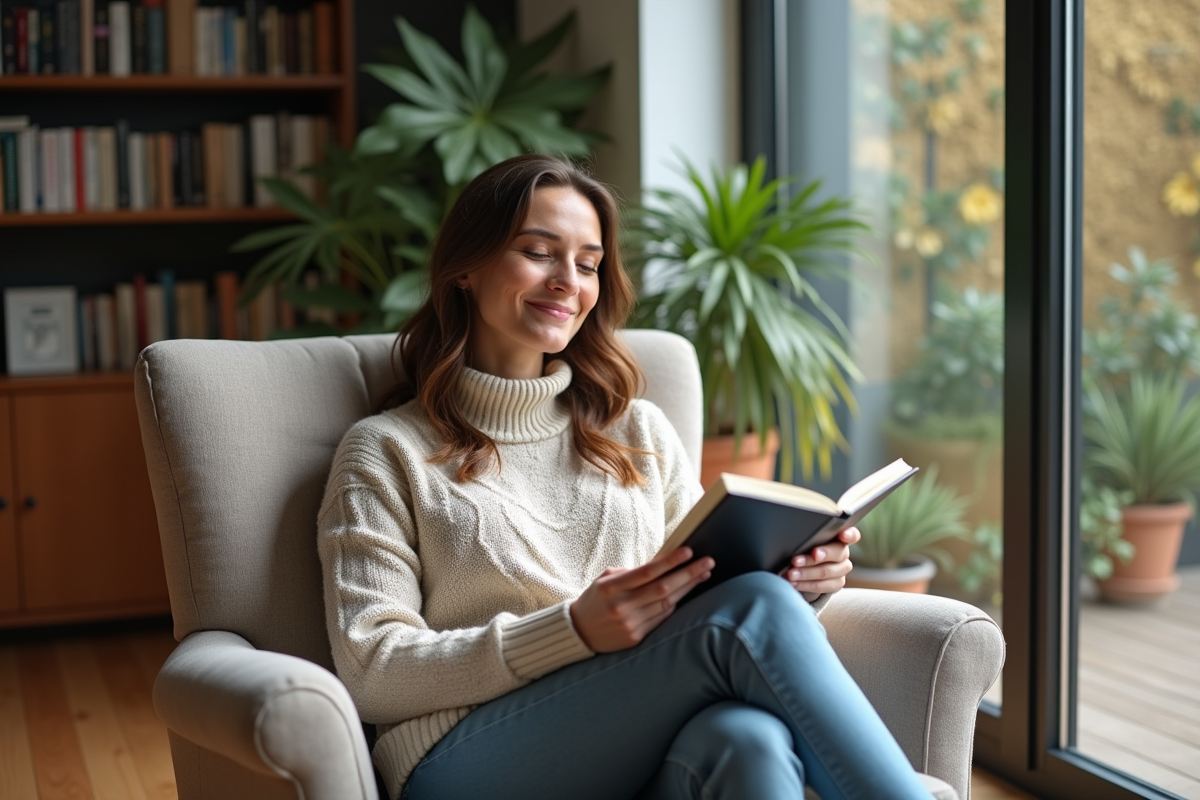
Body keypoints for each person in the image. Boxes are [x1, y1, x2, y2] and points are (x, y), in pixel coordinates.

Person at [317, 153, 933, 800]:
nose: (568, 280)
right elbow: (374, 670)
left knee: (747, 739)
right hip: (463, 758)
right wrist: (571, 630)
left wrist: (799, 579)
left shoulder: (636, 432)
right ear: (465, 268)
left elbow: (706, 595)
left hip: (628, 737)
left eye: (588, 264)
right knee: (751, 614)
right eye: (538, 252)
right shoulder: (386, 451)